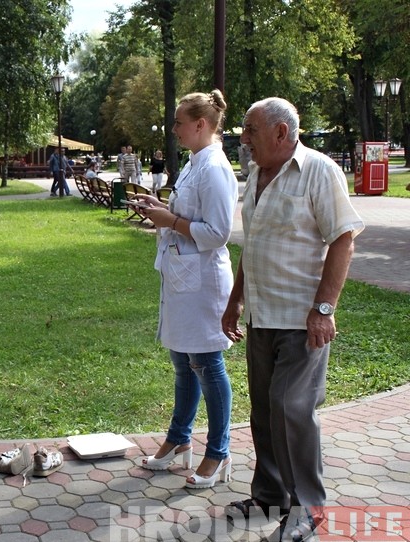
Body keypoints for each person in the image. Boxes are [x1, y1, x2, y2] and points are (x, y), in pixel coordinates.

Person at [221, 97, 364, 541]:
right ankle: (270, 495)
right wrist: (235, 299)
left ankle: (308, 509)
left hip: (302, 320)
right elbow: (254, 244)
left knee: (291, 409)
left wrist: (324, 309)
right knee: (264, 410)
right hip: (263, 315)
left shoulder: (319, 171)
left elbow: (343, 239)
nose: (243, 140)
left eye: (251, 130)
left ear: (281, 133)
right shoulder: (256, 174)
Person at [135, 90, 238, 490]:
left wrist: (170, 220)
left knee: (208, 366)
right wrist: (160, 209)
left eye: (179, 122)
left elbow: (218, 233)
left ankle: (219, 450)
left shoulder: (215, 168)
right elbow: (188, 216)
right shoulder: (196, 163)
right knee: (183, 363)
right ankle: (179, 440)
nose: (173, 129)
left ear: (200, 125)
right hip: (182, 280)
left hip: (203, 284)